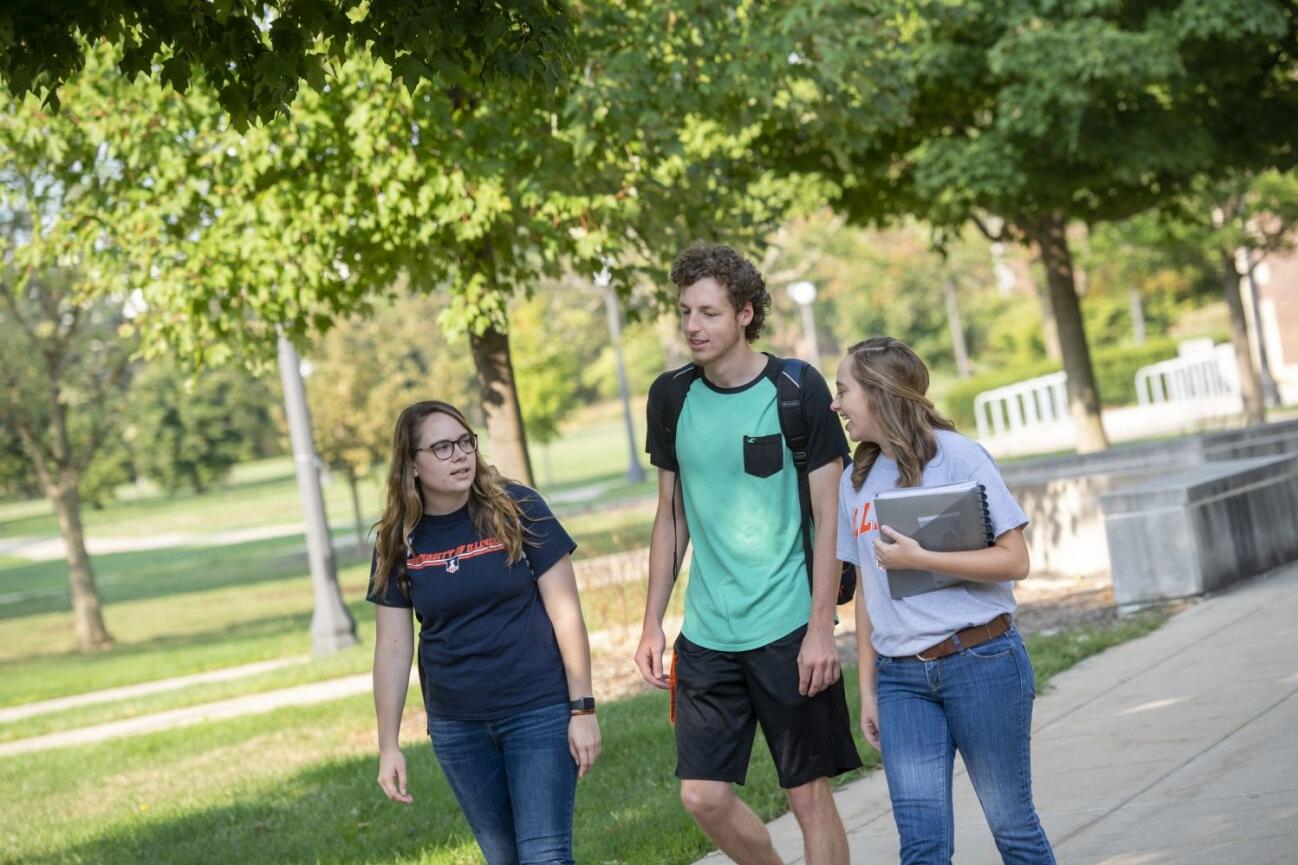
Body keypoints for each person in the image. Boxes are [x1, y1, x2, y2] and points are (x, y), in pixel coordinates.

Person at [634, 243, 862, 865]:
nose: (692, 326)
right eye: (685, 311)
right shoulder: (672, 397)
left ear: (745, 313)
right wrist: (652, 622)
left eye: (707, 312)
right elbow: (671, 515)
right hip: (708, 633)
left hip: (789, 626)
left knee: (808, 796)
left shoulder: (796, 388)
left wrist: (822, 628)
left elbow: (829, 520)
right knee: (703, 797)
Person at [831, 336, 1056, 865]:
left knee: (1013, 828)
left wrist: (923, 559)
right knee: (922, 846)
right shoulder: (856, 480)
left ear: (880, 393)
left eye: (844, 391)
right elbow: (867, 589)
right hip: (901, 680)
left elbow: (1014, 561)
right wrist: (868, 689)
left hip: (982, 663)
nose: (836, 404)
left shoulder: (959, 457)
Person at [368, 400, 601, 865]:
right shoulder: (398, 540)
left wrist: (582, 708)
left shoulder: (517, 508)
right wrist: (388, 745)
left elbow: (566, 614)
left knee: (544, 856)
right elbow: (393, 649)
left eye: (465, 442)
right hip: (458, 726)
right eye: (442, 447)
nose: (461, 455)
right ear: (411, 464)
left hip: (538, 709)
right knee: (505, 858)